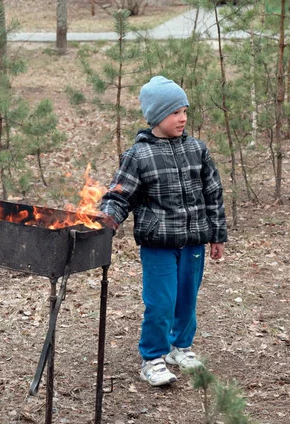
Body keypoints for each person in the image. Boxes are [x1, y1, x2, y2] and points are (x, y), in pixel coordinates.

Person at [99, 76, 227, 387]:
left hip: (194, 242)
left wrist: (217, 233)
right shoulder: (138, 155)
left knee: (186, 298)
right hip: (158, 245)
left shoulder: (198, 150)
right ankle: (153, 358)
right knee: (161, 302)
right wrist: (106, 222)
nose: (182, 118)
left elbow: (213, 192)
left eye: (185, 111)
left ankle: (179, 348)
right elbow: (119, 195)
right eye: (174, 113)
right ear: (157, 116)